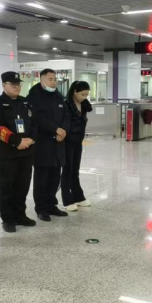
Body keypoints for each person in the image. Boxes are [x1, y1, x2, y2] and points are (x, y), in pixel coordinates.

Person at [0, 72, 37, 233]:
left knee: (23, 186)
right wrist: (16, 142)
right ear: (4, 85)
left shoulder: (25, 102)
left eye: (18, 84)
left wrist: (31, 139)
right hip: (7, 154)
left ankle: (20, 215)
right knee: (6, 187)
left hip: (26, 152)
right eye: (13, 84)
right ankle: (8, 218)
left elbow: (34, 124)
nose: (17, 87)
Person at [28, 69, 70, 221]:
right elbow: (38, 119)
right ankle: (41, 208)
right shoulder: (34, 97)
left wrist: (63, 130)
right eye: (50, 79)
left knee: (54, 177)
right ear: (42, 80)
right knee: (42, 178)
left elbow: (66, 115)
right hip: (43, 144)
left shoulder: (58, 95)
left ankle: (52, 205)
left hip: (58, 143)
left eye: (55, 79)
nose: (53, 82)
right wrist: (55, 129)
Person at [62, 81, 93, 212]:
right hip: (67, 141)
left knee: (75, 170)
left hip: (78, 141)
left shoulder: (84, 105)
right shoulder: (66, 104)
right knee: (67, 170)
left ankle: (78, 197)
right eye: (82, 94)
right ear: (74, 92)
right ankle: (67, 199)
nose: (84, 97)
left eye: (86, 95)